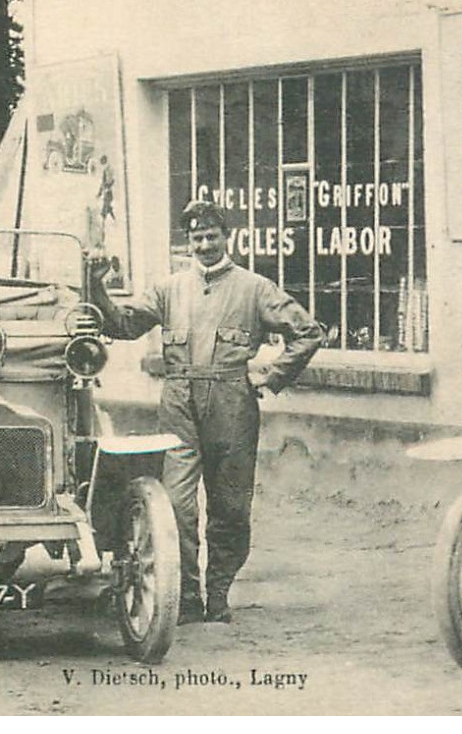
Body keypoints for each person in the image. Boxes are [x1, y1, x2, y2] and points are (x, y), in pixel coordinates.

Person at [90, 200, 323, 624]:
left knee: (230, 505)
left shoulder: (254, 288)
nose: (204, 245)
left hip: (232, 402)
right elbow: (122, 325)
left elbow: (308, 333)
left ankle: (218, 592)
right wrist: (97, 289)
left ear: (226, 237)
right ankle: (188, 596)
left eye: (211, 236)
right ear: (188, 242)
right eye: (196, 238)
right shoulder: (168, 289)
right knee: (176, 503)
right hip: (178, 400)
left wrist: (271, 377)